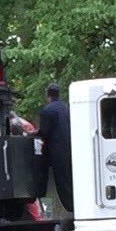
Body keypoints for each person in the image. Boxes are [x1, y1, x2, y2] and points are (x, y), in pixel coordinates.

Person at [38, 83, 73, 212]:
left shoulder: (47, 111)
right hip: (68, 149)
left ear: (48, 95)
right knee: (68, 178)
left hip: (54, 152)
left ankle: (66, 207)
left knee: (57, 182)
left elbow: (44, 133)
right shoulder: (66, 108)